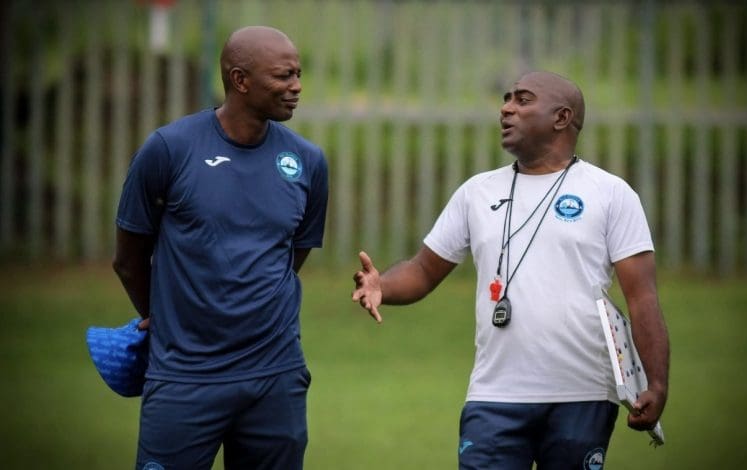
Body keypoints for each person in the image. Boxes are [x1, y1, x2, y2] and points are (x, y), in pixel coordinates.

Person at [352, 71, 668, 469]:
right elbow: (423, 269)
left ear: (561, 117)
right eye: (506, 99)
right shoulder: (476, 192)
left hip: (583, 393)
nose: (506, 108)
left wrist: (656, 383)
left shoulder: (610, 194)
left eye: (522, 100)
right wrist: (383, 286)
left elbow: (642, 298)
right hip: (494, 395)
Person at [112, 26, 329, 470]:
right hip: (184, 378)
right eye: (284, 76)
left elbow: (290, 257)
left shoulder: (307, 161)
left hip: (276, 377)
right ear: (240, 80)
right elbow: (128, 258)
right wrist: (165, 317)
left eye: (299, 74)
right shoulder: (169, 150)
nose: (297, 87)